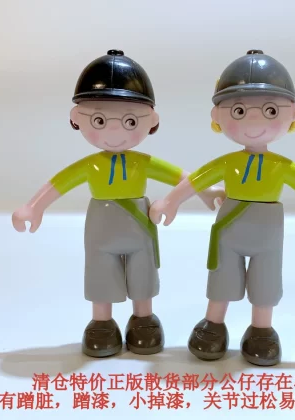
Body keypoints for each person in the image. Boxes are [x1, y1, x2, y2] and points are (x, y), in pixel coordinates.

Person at [149, 49, 295, 366]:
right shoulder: (227, 163)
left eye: (270, 110)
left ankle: (262, 330)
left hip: (267, 230)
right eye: (238, 111)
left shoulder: (282, 166)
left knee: (266, 282)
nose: (254, 121)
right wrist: (170, 201)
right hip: (230, 226)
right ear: (217, 116)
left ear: (293, 114)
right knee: (222, 279)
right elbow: (196, 181)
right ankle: (213, 324)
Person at [12, 50, 225, 358]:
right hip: (101, 226)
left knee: (143, 272)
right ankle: (102, 322)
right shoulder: (90, 165)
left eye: (130, 121)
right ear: (76, 118)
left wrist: (205, 191)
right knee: (100, 272)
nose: (114, 131)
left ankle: (143, 319)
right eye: (99, 119)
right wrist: (35, 206)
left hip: (139, 223)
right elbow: (60, 183)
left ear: (152, 121)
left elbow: (178, 176)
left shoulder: (143, 162)